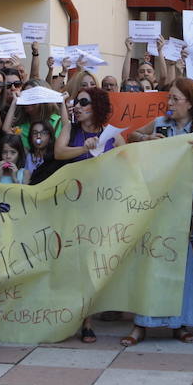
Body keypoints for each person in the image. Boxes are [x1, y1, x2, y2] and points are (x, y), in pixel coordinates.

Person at [124, 77, 193, 345]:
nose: (169, 103)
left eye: (175, 99)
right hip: (160, 203)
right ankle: (142, 323)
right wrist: (147, 138)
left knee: (188, 265)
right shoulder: (161, 124)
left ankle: (180, 322)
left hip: (192, 204)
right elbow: (130, 136)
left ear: (190, 103)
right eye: (169, 98)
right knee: (152, 259)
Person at [55, 87, 125, 342]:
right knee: (77, 259)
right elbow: (59, 153)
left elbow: (126, 164)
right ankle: (82, 317)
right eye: (76, 102)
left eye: (83, 102)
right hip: (75, 203)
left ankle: (89, 316)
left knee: (96, 260)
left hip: (103, 205)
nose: (77, 106)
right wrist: (82, 147)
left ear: (96, 105)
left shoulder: (112, 135)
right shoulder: (70, 129)